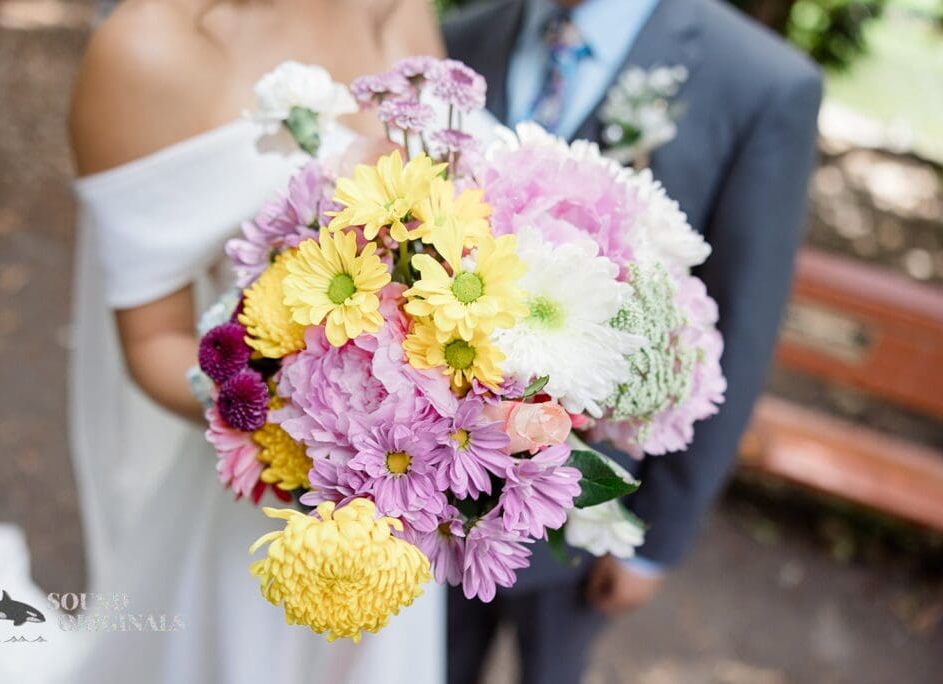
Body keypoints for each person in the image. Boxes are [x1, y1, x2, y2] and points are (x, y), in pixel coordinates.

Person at [444, 1, 823, 682]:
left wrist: (655, 541)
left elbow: (739, 328)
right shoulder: (460, 37)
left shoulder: (761, 83)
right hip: (437, 487)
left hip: (590, 517)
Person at [67, 0, 446, 681]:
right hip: (262, 511)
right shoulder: (147, 49)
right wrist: (307, 432)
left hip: (409, 510)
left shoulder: (403, 8)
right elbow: (155, 339)